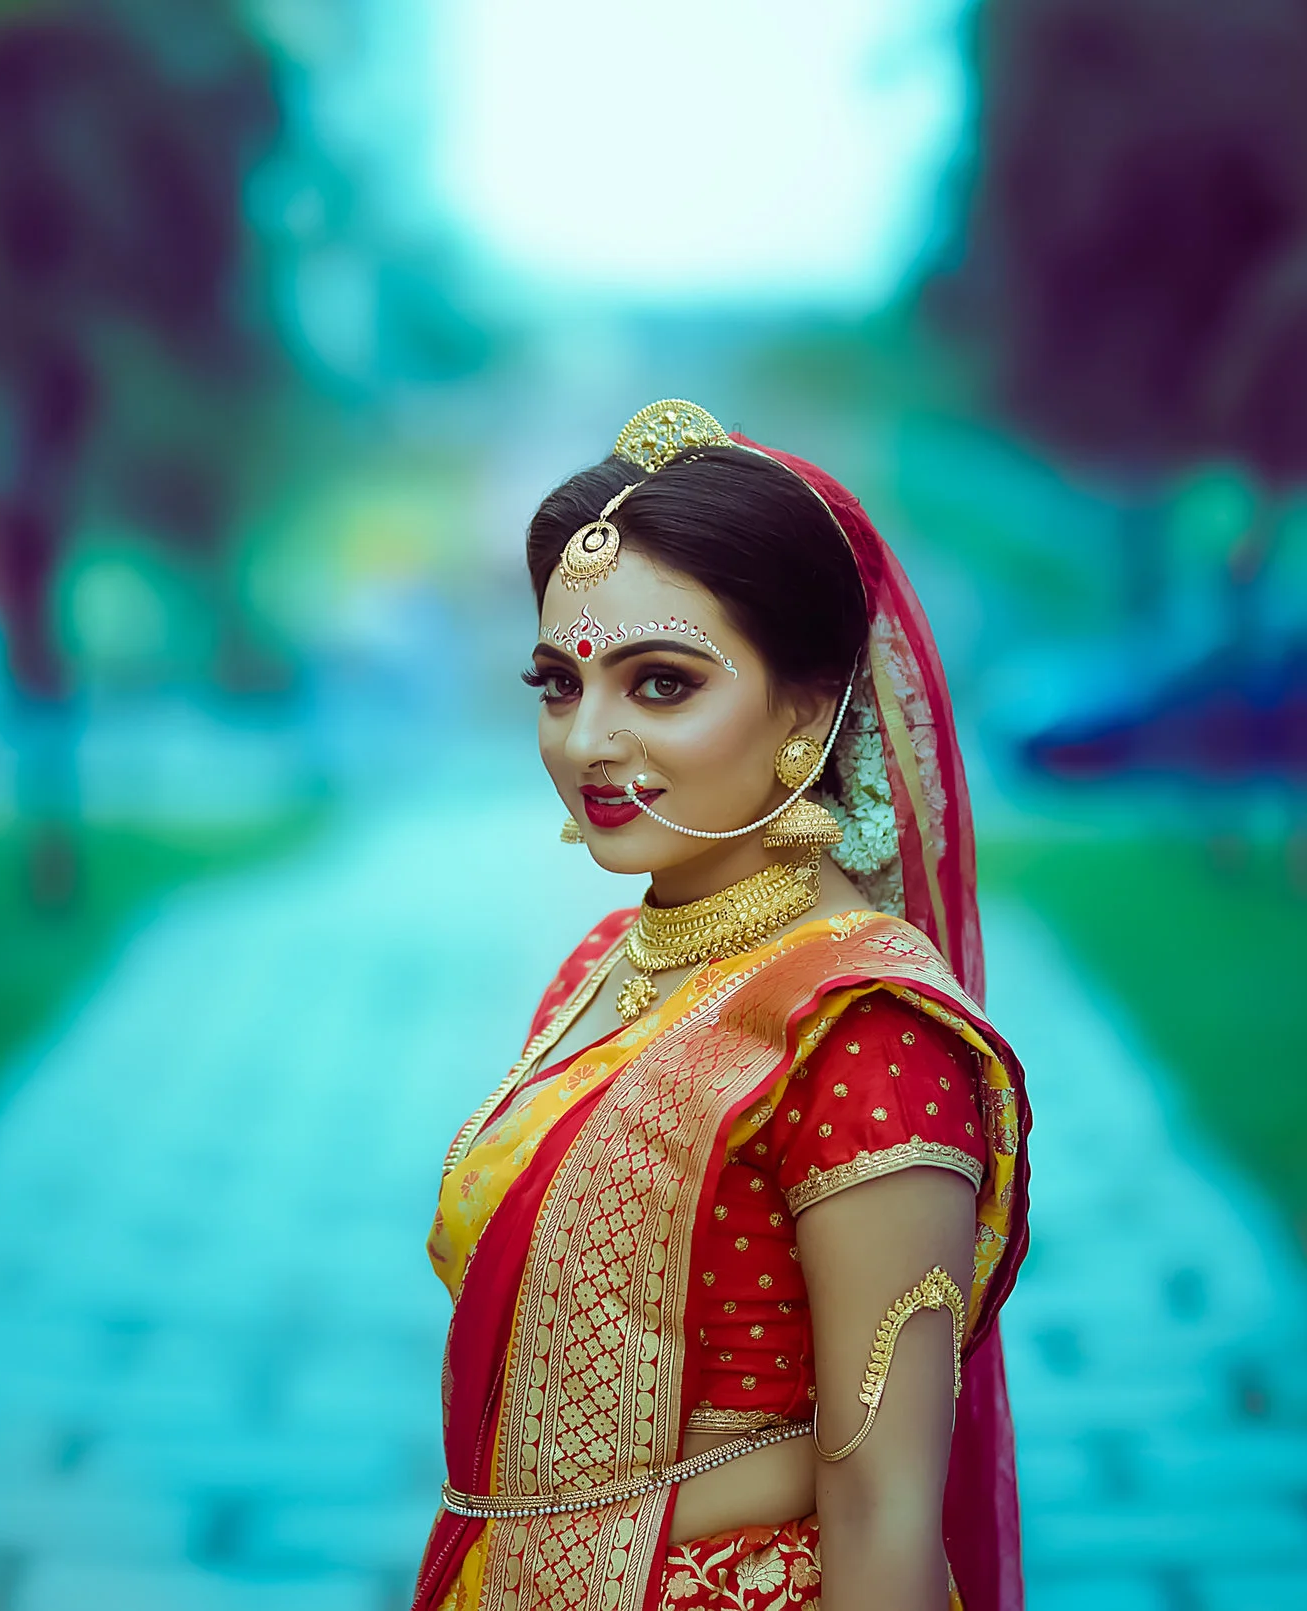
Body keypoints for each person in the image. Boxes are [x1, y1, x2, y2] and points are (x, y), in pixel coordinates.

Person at [416, 403, 1032, 1611]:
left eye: (659, 683)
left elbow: (885, 1506)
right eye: (558, 683)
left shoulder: (865, 1035)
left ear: (805, 710)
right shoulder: (604, 962)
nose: (589, 740)